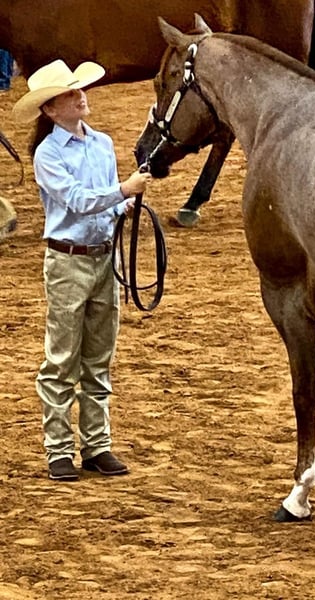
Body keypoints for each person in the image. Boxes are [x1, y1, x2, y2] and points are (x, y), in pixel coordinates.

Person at [12, 59, 151, 481]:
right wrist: (123, 191)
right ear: (50, 109)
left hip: (102, 258)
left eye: (78, 90)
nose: (80, 96)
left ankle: (96, 445)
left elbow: (104, 204)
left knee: (98, 357)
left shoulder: (102, 144)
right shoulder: (47, 154)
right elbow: (76, 199)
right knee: (62, 359)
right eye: (69, 94)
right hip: (68, 263)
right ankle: (59, 449)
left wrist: (124, 206)